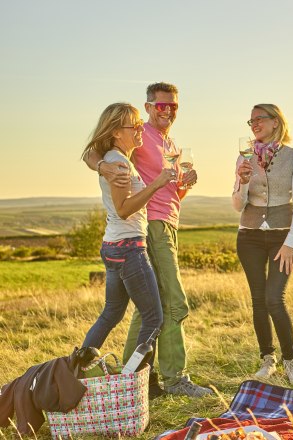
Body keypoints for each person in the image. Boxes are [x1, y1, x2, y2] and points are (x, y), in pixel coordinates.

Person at [83, 83, 212, 397]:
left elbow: (171, 190)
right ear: (149, 107)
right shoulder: (139, 135)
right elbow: (93, 151)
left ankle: (134, 377)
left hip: (166, 223)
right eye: (160, 106)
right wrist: (103, 167)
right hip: (148, 227)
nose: (167, 111)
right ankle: (175, 378)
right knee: (174, 304)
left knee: (146, 308)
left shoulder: (170, 143)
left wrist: (185, 185)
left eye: (173, 106)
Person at [80, 103, 173, 378]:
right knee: (154, 318)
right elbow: (123, 208)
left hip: (113, 246)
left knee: (111, 314)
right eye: (136, 125)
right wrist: (157, 184)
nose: (141, 128)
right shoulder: (118, 162)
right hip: (129, 248)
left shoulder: (113, 158)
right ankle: (136, 380)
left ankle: (76, 370)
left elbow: (89, 153)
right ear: (118, 132)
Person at [233, 104, 293, 384]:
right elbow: (238, 205)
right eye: (250, 121)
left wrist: (291, 242)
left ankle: (291, 360)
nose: (254, 124)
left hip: (282, 236)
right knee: (257, 300)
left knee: (274, 299)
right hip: (249, 236)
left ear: (275, 122)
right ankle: (268, 359)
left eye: (259, 119)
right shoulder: (244, 156)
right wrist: (241, 182)